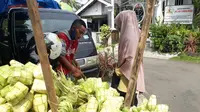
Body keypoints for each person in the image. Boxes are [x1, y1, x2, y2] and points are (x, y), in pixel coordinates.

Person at [113, 10, 146, 105]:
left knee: (124, 96)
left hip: (127, 70)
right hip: (136, 68)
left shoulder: (127, 35)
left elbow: (125, 55)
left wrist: (118, 66)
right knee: (133, 94)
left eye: (118, 24)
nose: (118, 27)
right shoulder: (137, 32)